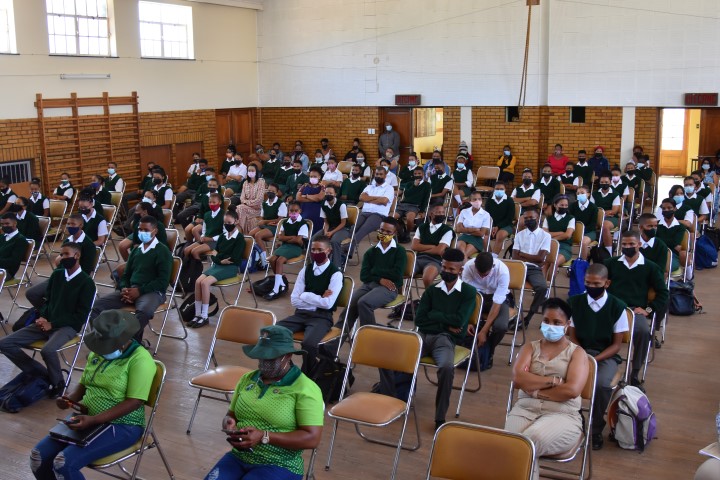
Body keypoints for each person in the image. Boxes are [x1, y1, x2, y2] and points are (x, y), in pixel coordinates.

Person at [29, 310, 156, 480]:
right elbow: (84, 383)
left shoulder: (140, 360)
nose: (101, 350)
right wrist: (70, 398)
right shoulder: (100, 349)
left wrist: (95, 420)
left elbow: (135, 402)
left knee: (63, 463)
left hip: (123, 425)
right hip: (87, 418)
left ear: (123, 341)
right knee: (38, 457)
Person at [204, 325, 323, 480]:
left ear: (288, 356)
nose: (264, 362)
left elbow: (312, 438)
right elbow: (231, 415)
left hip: (280, 464)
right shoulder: (247, 379)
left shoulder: (305, 389)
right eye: (261, 356)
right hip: (240, 456)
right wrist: (229, 423)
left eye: (270, 358)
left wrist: (264, 436)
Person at [380, 248, 476, 430]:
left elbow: (459, 321)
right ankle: (393, 399)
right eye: (444, 267)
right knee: (388, 357)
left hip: (445, 339)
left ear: (461, 270)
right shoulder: (432, 290)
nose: (446, 272)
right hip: (422, 336)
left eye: (451, 269)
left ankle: (440, 417)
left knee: (446, 368)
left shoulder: (468, 292)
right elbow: (420, 320)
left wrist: (435, 316)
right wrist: (446, 322)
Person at [505, 298, 589, 480]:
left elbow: (571, 391)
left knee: (526, 442)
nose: (551, 326)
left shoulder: (577, 353)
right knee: (510, 445)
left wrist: (534, 388)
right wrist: (554, 381)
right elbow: (518, 378)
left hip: (563, 415)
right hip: (525, 410)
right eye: (546, 321)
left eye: (557, 322)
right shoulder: (529, 348)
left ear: (567, 324)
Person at [0, 242, 95, 398]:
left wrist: (53, 324)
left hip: (67, 327)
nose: (62, 257)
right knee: (4, 343)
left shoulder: (86, 282)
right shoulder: (57, 275)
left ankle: (58, 383)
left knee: (48, 350)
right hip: (46, 322)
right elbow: (47, 301)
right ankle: (42, 374)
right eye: (61, 254)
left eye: (66, 254)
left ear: (77, 255)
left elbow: (80, 316)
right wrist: (43, 316)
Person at [567, 263, 629, 450]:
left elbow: (616, 345)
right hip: (579, 351)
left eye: (596, 284)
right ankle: (575, 420)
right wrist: (582, 355)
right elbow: (572, 336)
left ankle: (594, 428)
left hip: (605, 355)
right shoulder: (575, 302)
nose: (591, 287)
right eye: (588, 283)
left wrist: (595, 359)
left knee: (601, 384)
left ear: (606, 283)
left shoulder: (617, 307)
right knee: (564, 377)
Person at [604, 230, 668, 389]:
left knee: (643, 332)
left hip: (633, 310)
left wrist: (648, 309)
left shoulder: (650, 267)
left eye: (631, 244)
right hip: (611, 308)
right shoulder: (611, 263)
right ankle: (601, 365)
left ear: (639, 244)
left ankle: (635, 372)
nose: (627, 247)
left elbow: (663, 293)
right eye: (624, 244)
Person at [91, 216, 172, 342]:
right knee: (96, 307)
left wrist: (139, 291)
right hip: (131, 290)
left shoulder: (162, 251)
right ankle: (104, 341)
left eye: (146, 230)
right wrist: (124, 288)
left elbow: (163, 281)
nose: (142, 232)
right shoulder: (136, 250)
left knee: (144, 312)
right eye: (140, 229)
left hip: (152, 292)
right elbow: (126, 275)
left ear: (155, 231)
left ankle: (128, 344)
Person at [276, 236, 342, 374]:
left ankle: (308, 374)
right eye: (313, 249)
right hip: (300, 314)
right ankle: (287, 369)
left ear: (328, 250)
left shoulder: (335, 274)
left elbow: (328, 304)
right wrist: (318, 298)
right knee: (274, 332)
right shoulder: (305, 270)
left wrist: (306, 295)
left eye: (320, 250)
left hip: (322, 317)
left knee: (309, 344)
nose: (316, 253)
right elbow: (294, 300)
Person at [343, 217, 406, 330]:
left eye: (388, 232)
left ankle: (369, 333)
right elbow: (364, 276)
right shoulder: (371, 252)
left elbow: (396, 275)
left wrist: (374, 271)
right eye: (382, 230)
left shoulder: (399, 251)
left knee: (364, 303)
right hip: (370, 285)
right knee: (351, 305)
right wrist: (380, 279)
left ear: (395, 233)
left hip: (390, 288)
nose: (384, 233)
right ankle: (339, 335)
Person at [190, 207, 246, 328]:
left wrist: (219, 257)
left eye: (229, 222)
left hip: (231, 268)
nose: (227, 225)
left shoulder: (240, 238)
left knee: (205, 283)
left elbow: (234, 258)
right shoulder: (222, 236)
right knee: (198, 281)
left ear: (236, 221)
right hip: (219, 265)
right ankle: (197, 314)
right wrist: (220, 259)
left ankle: (204, 316)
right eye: (225, 223)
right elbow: (214, 254)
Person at [461, 252, 512, 365]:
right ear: (475, 264)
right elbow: (467, 297)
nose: (482, 277)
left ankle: (489, 350)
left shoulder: (502, 271)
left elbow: (497, 303)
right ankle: (468, 351)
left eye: (485, 274)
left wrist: (484, 331)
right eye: (479, 274)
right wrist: (468, 321)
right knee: (458, 317)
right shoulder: (469, 267)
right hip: (476, 298)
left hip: (497, 299)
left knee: (501, 326)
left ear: (492, 266)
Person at [511, 206, 550, 327]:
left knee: (542, 288)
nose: (528, 220)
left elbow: (541, 258)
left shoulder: (546, 236)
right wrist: (534, 258)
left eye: (531, 218)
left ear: (538, 218)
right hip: (518, 266)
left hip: (534, 269)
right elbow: (515, 257)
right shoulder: (519, 235)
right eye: (526, 218)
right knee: (500, 282)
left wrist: (522, 254)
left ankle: (528, 317)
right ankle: (510, 314)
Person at [263, 202, 309, 300]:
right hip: (285, 246)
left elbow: (298, 241)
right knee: (272, 259)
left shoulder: (303, 224)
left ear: (300, 211)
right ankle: (282, 283)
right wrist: (292, 237)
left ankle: (276, 289)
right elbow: (280, 237)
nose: (293, 213)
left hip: (296, 248)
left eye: (296, 211)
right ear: (288, 211)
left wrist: (287, 238)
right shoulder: (285, 222)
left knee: (279, 261)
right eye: (291, 211)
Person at [347, 166, 395, 258]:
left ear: (385, 176)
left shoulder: (389, 188)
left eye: (381, 174)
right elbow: (361, 198)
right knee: (353, 229)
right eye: (377, 174)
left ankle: (347, 252)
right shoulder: (369, 187)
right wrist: (377, 199)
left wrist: (368, 199)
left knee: (362, 230)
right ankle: (347, 250)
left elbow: (384, 201)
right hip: (365, 213)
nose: (378, 176)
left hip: (379, 215)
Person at [412, 203, 454, 289]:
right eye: (438, 212)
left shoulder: (447, 230)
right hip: (418, 259)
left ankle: (429, 297)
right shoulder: (422, 227)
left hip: (435, 260)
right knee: (399, 273)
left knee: (427, 278)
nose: (441, 214)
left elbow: (439, 251)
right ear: (431, 214)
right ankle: (399, 295)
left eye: (443, 212)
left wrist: (422, 249)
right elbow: (414, 246)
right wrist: (433, 246)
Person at [314, 185, 349, 268]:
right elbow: (326, 222)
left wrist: (332, 232)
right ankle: (315, 263)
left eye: (330, 193)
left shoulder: (341, 205)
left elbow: (343, 223)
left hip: (343, 229)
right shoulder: (323, 204)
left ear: (335, 194)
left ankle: (337, 266)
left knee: (334, 241)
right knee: (314, 239)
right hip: (330, 227)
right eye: (326, 193)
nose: (328, 195)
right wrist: (326, 232)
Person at [184, 192, 224, 261]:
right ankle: (189, 266)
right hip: (206, 239)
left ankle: (198, 267)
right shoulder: (207, 214)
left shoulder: (224, 215)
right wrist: (202, 236)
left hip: (216, 241)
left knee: (195, 252)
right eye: (210, 202)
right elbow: (204, 229)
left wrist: (212, 239)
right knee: (186, 250)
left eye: (214, 202)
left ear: (220, 202)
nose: (211, 204)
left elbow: (225, 234)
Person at [394, 167, 430, 241]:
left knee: (410, 219)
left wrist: (422, 211)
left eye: (419, 173)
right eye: (415, 174)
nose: (417, 175)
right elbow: (406, 194)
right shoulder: (409, 184)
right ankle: (401, 233)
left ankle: (407, 233)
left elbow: (426, 199)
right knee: (391, 218)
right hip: (403, 204)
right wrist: (414, 185)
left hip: (414, 206)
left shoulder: (427, 185)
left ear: (423, 174)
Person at [249, 183, 287, 254]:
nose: (270, 192)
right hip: (266, 225)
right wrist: (261, 221)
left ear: (277, 192)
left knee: (258, 235)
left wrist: (265, 222)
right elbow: (262, 217)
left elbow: (280, 220)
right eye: (269, 190)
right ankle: (256, 253)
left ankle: (264, 257)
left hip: (276, 227)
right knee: (251, 234)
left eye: (273, 191)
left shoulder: (281, 203)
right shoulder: (264, 203)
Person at [591, 171, 621, 255]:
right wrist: (601, 213)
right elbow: (592, 209)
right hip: (596, 217)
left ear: (610, 182)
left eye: (606, 182)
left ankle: (609, 252)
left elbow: (614, 211)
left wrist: (601, 212)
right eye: (602, 182)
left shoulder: (615, 194)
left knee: (605, 226)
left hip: (611, 218)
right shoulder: (594, 194)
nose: (604, 184)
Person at [455, 190, 491, 258]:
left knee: (464, 255)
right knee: (461, 252)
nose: (477, 201)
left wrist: (465, 229)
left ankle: (461, 265)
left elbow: (481, 233)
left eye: (479, 199)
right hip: (464, 237)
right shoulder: (464, 212)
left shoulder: (486, 214)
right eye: (475, 199)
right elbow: (458, 229)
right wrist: (473, 230)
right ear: (470, 200)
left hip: (477, 239)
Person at [542, 194, 576, 267]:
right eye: (561, 205)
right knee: (545, 263)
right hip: (549, 246)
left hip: (564, 247)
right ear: (555, 205)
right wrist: (561, 233)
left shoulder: (571, 218)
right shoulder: (548, 218)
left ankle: (551, 275)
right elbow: (545, 234)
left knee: (554, 262)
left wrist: (552, 239)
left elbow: (567, 235)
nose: (564, 207)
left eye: (566, 205)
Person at [232, 163, 267, 233]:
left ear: (256, 172)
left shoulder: (261, 182)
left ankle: (240, 232)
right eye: (249, 170)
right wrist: (246, 203)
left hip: (256, 208)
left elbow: (259, 199)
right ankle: (239, 231)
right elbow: (242, 198)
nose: (251, 172)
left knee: (240, 208)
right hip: (245, 207)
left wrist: (247, 203)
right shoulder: (245, 183)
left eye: (252, 170)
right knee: (239, 208)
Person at [656, 198, 688, 269]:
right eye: (664, 208)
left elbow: (676, 242)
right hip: (657, 254)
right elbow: (654, 241)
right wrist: (672, 244)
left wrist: (660, 241)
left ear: (675, 209)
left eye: (669, 208)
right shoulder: (656, 224)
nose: (666, 210)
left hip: (672, 256)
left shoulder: (680, 227)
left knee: (664, 267)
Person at [486, 181, 516, 257]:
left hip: (506, 225)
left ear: (505, 190)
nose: (499, 190)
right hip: (492, 224)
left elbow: (509, 218)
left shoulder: (509, 200)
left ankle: (494, 257)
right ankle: (489, 255)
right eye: (497, 189)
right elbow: (486, 215)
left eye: (501, 189)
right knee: (484, 234)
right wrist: (493, 226)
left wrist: (498, 226)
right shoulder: (489, 200)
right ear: (494, 189)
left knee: (500, 235)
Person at [569, 186, 599, 260]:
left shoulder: (593, 208)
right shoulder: (572, 206)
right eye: (578, 193)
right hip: (574, 231)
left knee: (584, 242)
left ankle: (583, 262)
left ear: (588, 194)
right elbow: (570, 220)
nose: (580, 195)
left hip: (589, 232)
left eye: (582, 193)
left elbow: (593, 225)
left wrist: (581, 232)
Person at [295, 166, 325, 235]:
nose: (312, 178)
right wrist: (314, 199)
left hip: (317, 212)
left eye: (315, 176)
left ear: (319, 177)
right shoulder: (304, 186)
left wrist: (306, 196)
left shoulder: (322, 187)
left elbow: (320, 197)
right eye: (311, 176)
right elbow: (298, 198)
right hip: (304, 210)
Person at [0, 212, 29, 280]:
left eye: (7, 224)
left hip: (6, 272)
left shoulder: (20, 240)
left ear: (15, 223)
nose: (4, 226)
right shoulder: (2, 237)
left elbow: (14, 261)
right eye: (2, 224)